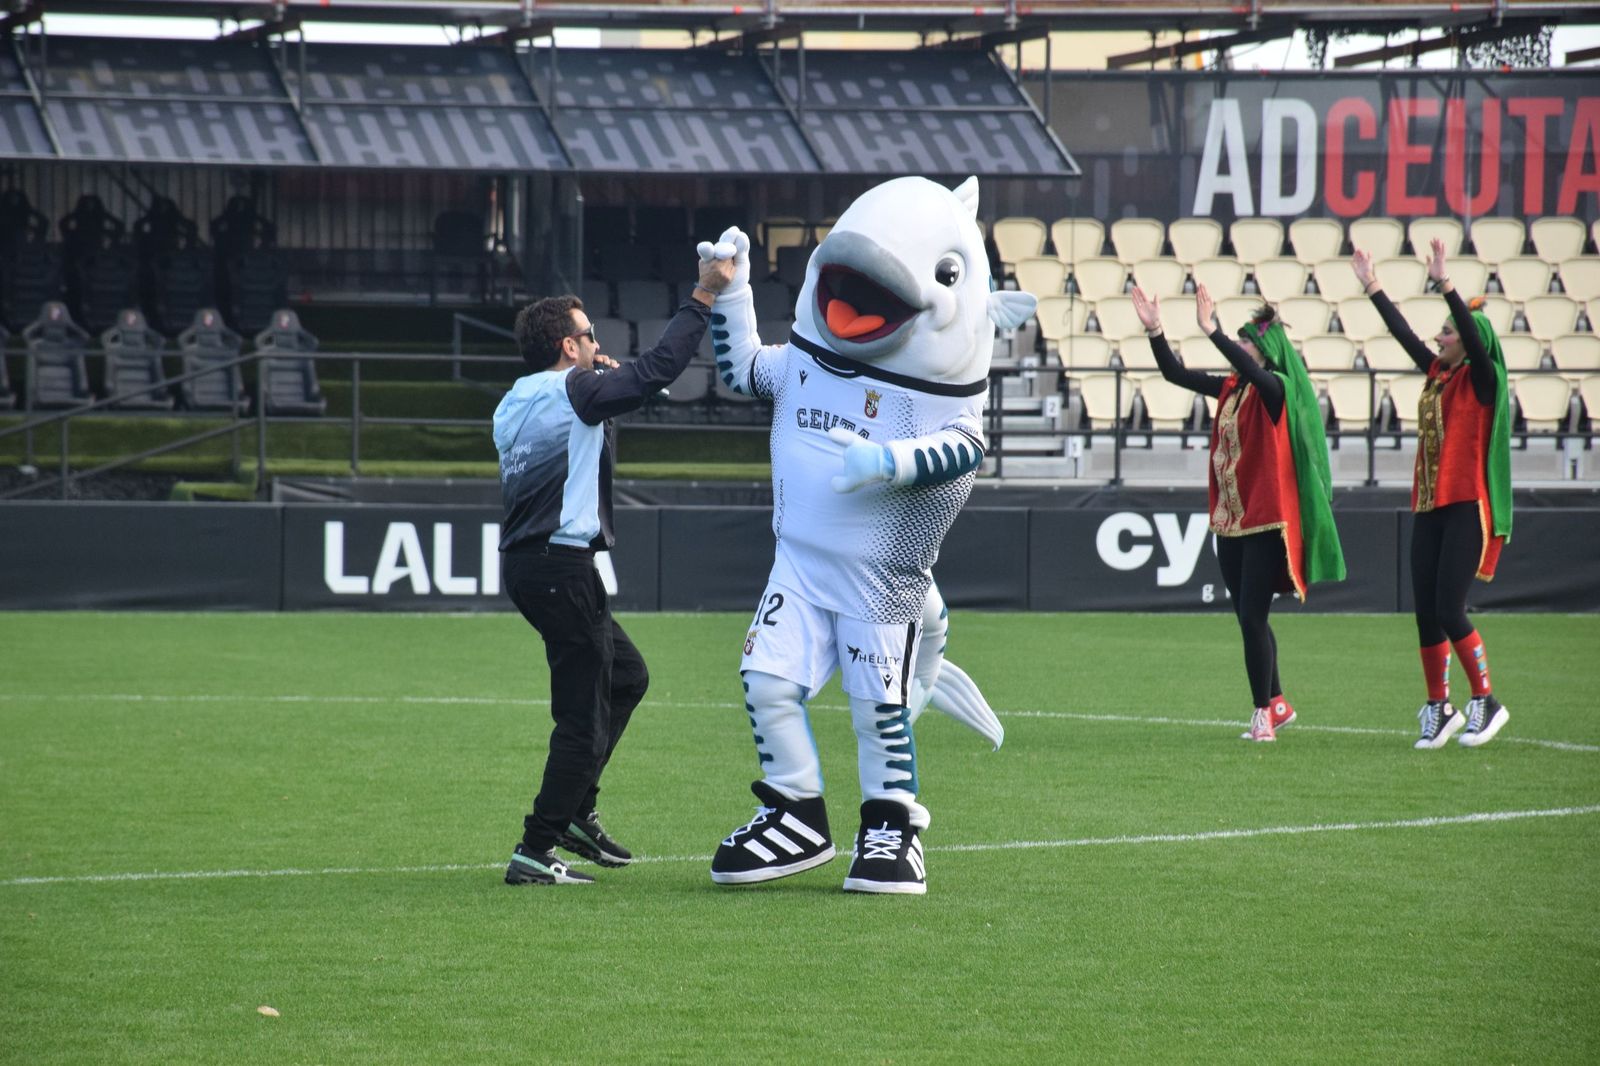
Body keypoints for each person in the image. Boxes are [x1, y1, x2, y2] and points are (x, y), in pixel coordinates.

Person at [494, 242, 736, 886]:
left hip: (531, 566)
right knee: (583, 717)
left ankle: (575, 811)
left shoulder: (514, 400)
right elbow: (658, 370)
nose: (595, 339)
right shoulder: (575, 390)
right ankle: (535, 848)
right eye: (587, 334)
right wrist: (704, 295)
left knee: (625, 677)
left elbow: (584, 433)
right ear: (568, 347)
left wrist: (600, 382)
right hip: (560, 566)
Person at [1131, 284, 1345, 742]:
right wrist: (1155, 331)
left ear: (1264, 351)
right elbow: (1175, 374)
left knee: (1251, 617)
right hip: (1231, 521)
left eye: (1248, 341)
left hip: (1267, 523)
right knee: (1250, 618)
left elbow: (1250, 366)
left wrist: (1213, 331)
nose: (1241, 349)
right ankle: (1279, 702)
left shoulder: (1274, 388)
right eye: (1240, 340)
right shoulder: (1232, 388)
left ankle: (1261, 713)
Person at [1352, 239, 1512, 750]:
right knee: (1425, 610)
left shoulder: (1482, 378)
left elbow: (1471, 333)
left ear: (1468, 341)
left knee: (1449, 607)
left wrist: (1446, 284)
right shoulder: (1440, 374)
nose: (1438, 337)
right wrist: (1372, 287)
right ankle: (1439, 707)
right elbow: (1403, 336)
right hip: (1429, 505)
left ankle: (1486, 700)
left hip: (1467, 505)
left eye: (1446, 331)